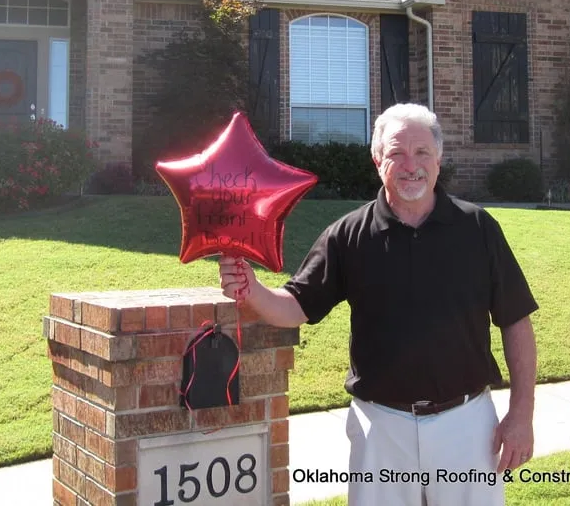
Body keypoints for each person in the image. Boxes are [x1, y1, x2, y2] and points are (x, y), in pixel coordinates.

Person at [219, 103, 538, 506]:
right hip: (381, 427)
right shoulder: (348, 235)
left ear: (438, 159)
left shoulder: (478, 229)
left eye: (422, 152)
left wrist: (521, 414)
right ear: (377, 161)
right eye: (396, 153)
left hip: (467, 426)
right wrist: (252, 290)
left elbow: (516, 323)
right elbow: (295, 306)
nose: (411, 165)